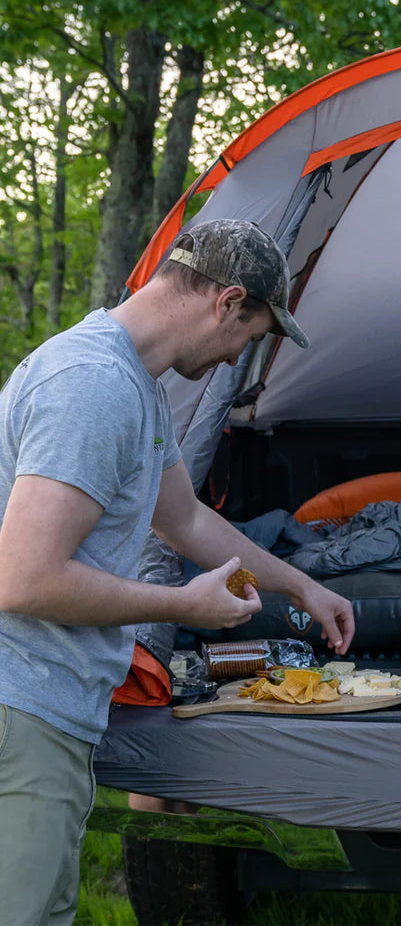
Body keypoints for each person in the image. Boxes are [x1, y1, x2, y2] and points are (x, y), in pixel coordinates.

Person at [0, 219, 354, 925]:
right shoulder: (94, 387)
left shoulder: (134, 385)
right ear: (226, 302)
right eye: (248, 338)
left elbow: (184, 520)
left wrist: (300, 585)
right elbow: (24, 580)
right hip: (23, 704)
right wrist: (180, 604)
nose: (235, 361)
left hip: (40, 700)